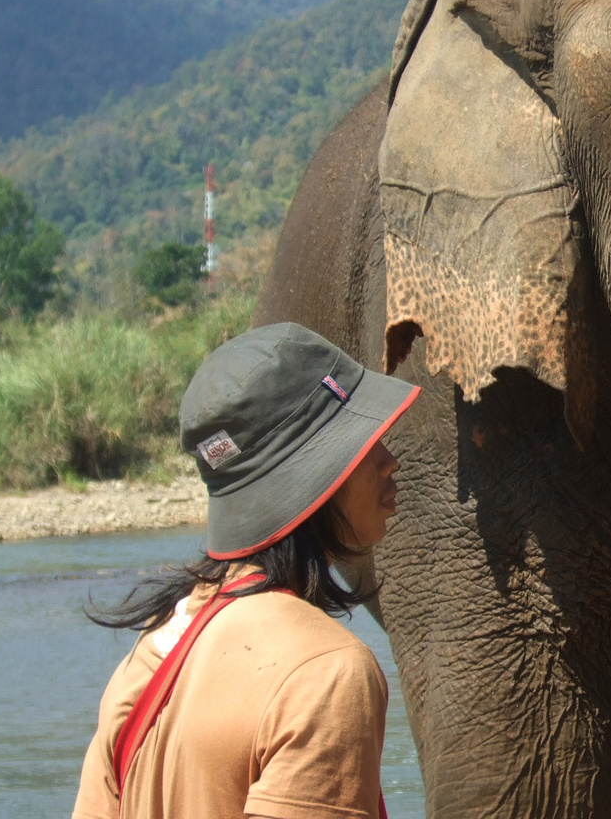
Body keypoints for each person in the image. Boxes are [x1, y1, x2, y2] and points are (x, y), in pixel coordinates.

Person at [73, 322, 420, 819]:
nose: (390, 462)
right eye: (364, 443)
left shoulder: (149, 655)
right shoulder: (326, 673)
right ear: (313, 476)